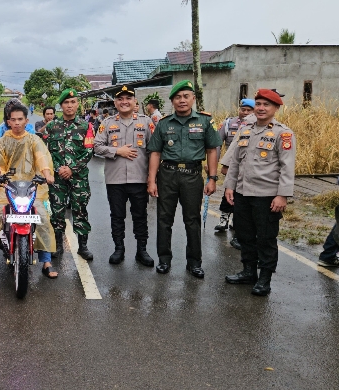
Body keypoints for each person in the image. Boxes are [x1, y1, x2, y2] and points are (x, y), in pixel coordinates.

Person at [0, 102, 58, 278]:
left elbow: (41, 157)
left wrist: (47, 174)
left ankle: (46, 261)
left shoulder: (34, 140)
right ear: (8, 122)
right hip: (6, 187)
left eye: (20, 119)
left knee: (42, 216)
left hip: (31, 187)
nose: (17, 123)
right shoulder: (2, 141)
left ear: (26, 120)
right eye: (13, 120)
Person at [223, 89, 296, 296]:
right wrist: (229, 186)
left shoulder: (284, 133)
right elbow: (235, 162)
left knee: (265, 238)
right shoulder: (245, 130)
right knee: (244, 234)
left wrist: (282, 195)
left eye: (266, 105)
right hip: (242, 193)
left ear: (275, 108)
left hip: (267, 196)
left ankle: (265, 278)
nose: (261, 108)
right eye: (259, 104)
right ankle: (248, 271)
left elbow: (287, 167)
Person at [146, 80, 221, 278]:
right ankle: (164, 260)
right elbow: (155, 153)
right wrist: (151, 181)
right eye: (177, 97)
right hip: (167, 175)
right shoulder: (163, 124)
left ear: (193, 99)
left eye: (186, 96)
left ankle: (194, 262)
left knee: (192, 220)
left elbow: (212, 150)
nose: (182, 100)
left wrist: (212, 178)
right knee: (164, 220)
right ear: (172, 101)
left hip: (192, 176)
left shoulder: (205, 122)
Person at [94, 86, 154, 267]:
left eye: (128, 98)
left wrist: (152, 178)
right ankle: (118, 248)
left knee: (140, 216)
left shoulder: (146, 122)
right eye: (120, 99)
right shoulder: (107, 123)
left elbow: (154, 151)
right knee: (117, 216)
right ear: (115, 102)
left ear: (135, 101)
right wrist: (116, 150)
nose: (124, 101)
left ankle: (141, 250)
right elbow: (96, 146)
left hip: (139, 179)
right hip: (115, 180)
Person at [40, 88, 95, 261]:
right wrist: (58, 169)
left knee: (80, 211)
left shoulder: (86, 126)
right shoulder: (50, 127)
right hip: (57, 179)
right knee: (57, 211)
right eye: (66, 102)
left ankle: (83, 246)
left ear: (77, 104)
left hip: (78, 178)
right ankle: (57, 245)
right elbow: (44, 152)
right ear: (61, 105)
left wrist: (71, 168)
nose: (69, 105)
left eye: (73, 102)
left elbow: (89, 151)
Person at [214, 99, 256, 245]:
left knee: (243, 200)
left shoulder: (257, 125)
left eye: (248, 110)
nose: (245, 112)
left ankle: (236, 224)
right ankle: (223, 219)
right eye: (242, 109)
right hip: (232, 167)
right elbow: (218, 143)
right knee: (228, 195)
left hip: (249, 169)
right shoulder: (228, 123)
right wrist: (217, 164)